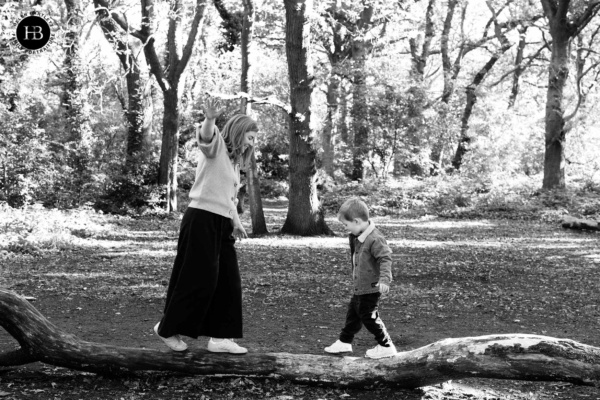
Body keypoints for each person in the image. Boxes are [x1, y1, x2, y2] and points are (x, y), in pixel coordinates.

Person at [153, 98, 258, 354]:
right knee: (198, 279)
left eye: (254, 139)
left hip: (221, 223)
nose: (252, 143)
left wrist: (235, 220)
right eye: (250, 137)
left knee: (228, 280)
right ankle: (166, 329)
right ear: (238, 132)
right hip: (201, 219)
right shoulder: (218, 147)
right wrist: (210, 118)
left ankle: (221, 337)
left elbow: (226, 196)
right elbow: (207, 137)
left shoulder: (234, 162)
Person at [324, 197, 397, 359]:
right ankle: (344, 341)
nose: (346, 228)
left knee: (368, 315)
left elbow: (385, 258)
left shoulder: (374, 239)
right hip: (360, 286)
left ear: (356, 221)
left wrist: (385, 279)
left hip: (370, 286)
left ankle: (386, 345)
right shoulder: (359, 236)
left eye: (346, 224)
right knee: (353, 314)